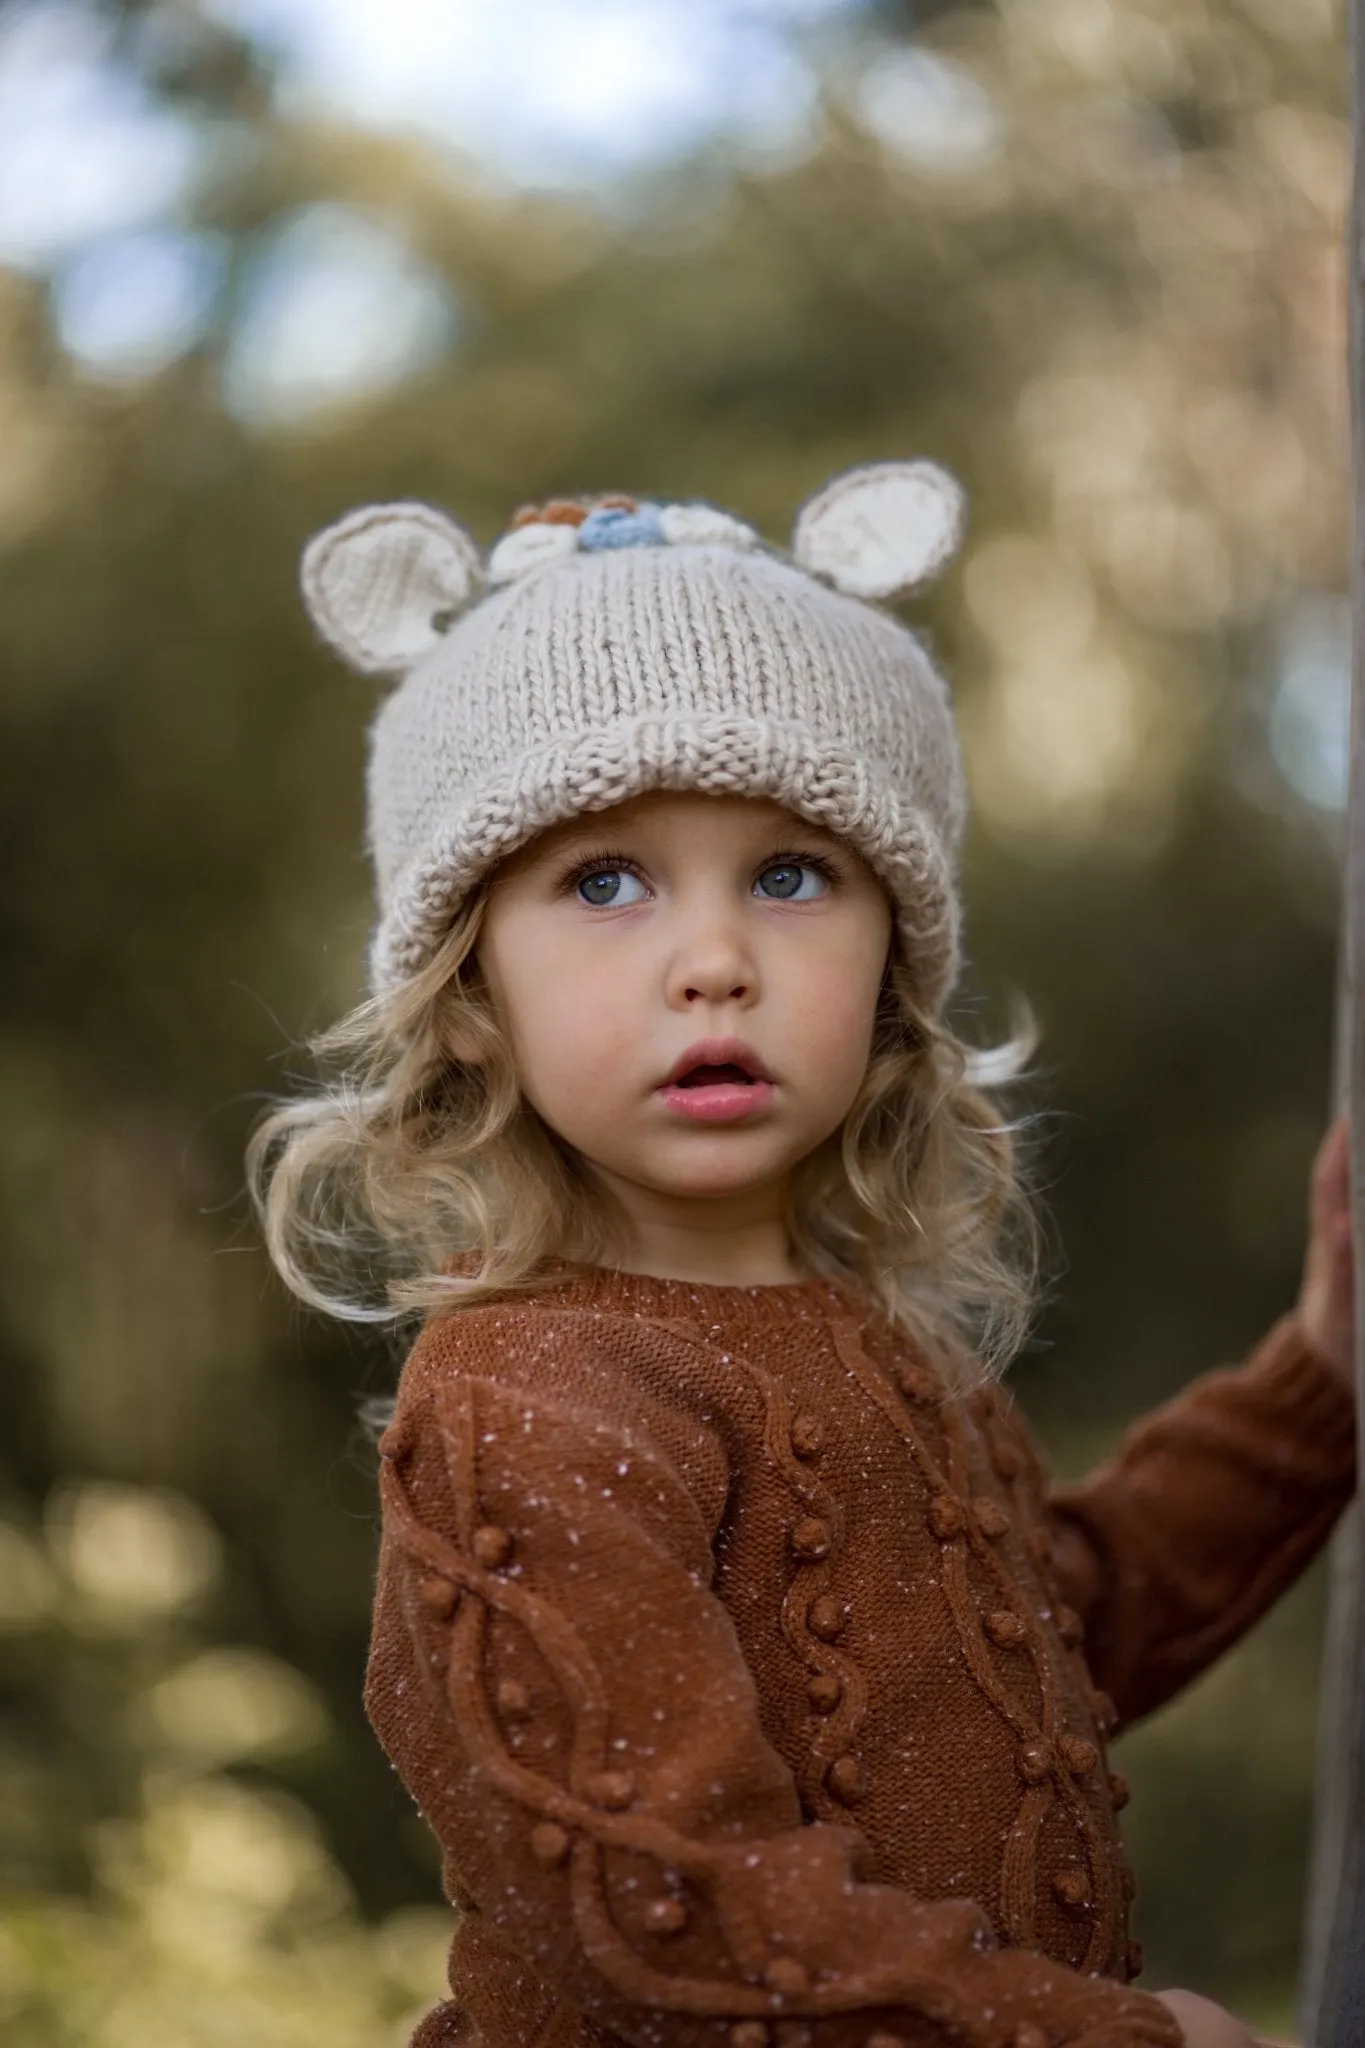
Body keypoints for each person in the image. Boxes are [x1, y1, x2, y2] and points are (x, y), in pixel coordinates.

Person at [248, 467, 1358, 2048]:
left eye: (791, 874)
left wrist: (1321, 1383)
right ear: (474, 990)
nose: (715, 963)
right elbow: (678, 1911)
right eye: (605, 882)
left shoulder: (883, 1349)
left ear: (895, 964)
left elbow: (1051, 1637)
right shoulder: (532, 1398)